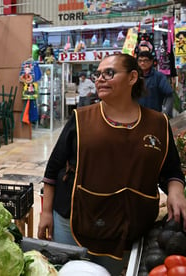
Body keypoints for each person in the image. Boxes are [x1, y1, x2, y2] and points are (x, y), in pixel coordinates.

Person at [37, 53, 186, 275]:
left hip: (129, 229)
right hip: (74, 222)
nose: (99, 79)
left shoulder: (157, 124)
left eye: (109, 73)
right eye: (97, 74)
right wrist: (46, 212)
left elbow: (172, 171)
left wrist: (176, 192)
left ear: (132, 77)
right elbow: (53, 169)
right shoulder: (81, 118)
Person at [137, 50, 173, 117]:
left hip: (154, 115)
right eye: (140, 61)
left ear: (151, 62)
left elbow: (169, 95)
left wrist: (165, 113)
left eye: (145, 60)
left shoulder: (159, 77)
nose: (142, 63)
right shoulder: (134, 77)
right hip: (137, 115)